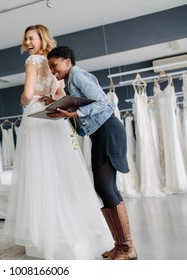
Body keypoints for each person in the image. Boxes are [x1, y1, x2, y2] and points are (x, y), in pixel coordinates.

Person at [3, 25, 112, 260]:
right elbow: (61, 95)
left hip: (36, 116)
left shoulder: (33, 61)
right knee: (62, 170)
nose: (28, 42)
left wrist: (24, 100)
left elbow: (28, 93)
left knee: (39, 172)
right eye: (26, 39)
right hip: (55, 115)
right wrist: (51, 99)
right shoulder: (54, 64)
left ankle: (45, 233)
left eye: (31, 38)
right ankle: (70, 226)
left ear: (41, 38)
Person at [45, 45, 138, 260]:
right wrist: (57, 106)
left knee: (105, 187)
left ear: (67, 61)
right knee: (105, 187)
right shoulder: (69, 82)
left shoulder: (77, 75)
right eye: (50, 67)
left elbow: (102, 102)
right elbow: (80, 106)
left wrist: (73, 113)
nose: (53, 70)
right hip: (101, 133)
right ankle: (121, 246)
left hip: (107, 130)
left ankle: (127, 248)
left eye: (54, 65)